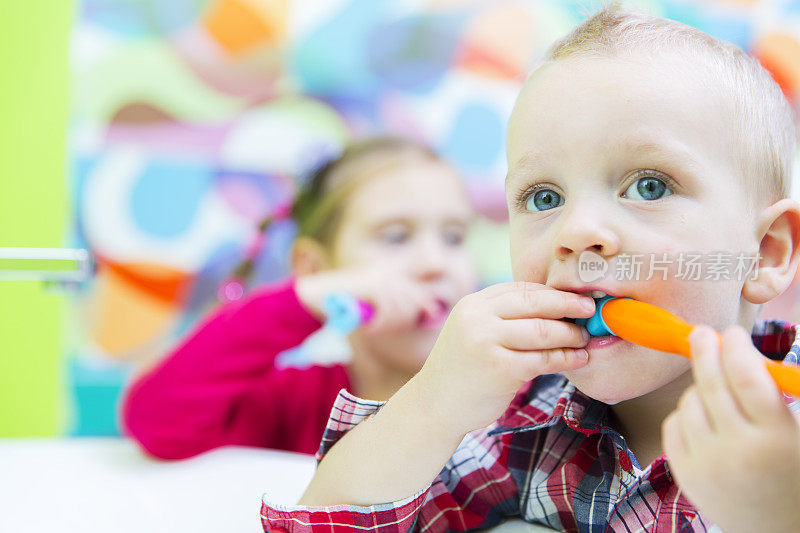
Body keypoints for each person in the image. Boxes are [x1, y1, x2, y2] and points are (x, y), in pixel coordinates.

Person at [261, 4, 800, 532]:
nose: (575, 232)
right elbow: (322, 522)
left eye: (649, 186)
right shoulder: (528, 430)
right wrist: (434, 403)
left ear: (766, 253)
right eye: (544, 198)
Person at [120, 137, 479, 458]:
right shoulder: (296, 405)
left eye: (453, 237)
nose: (435, 263)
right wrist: (300, 299)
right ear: (315, 268)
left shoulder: (515, 398)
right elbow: (156, 420)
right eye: (396, 236)